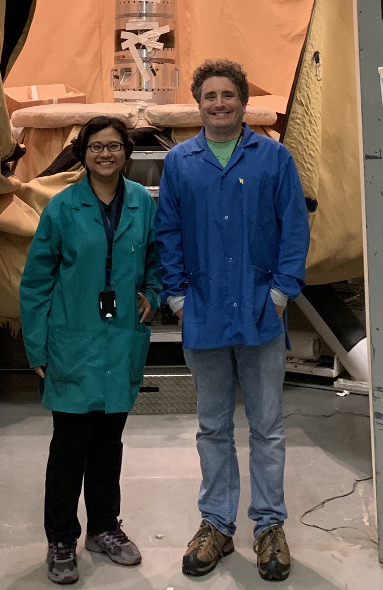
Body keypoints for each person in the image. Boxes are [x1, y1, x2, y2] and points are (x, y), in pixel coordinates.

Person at [156, 59, 310, 582]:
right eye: (209, 96)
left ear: (243, 103)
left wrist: (283, 291)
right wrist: (176, 296)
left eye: (228, 96)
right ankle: (217, 524)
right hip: (203, 311)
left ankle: (269, 526)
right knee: (212, 426)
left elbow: (294, 227)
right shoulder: (180, 162)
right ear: (198, 103)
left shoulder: (274, 158)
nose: (219, 104)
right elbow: (168, 231)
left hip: (261, 312)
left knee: (267, 427)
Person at [21, 115, 162, 585]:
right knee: (69, 446)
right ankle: (61, 536)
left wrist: (154, 294)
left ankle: (104, 527)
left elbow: (159, 261)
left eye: (115, 146)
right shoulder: (62, 208)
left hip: (120, 341)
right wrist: (37, 347)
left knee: (109, 444)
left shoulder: (143, 203)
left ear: (127, 152)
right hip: (72, 342)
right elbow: (36, 282)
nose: (106, 154)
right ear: (83, 153)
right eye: (97, 147)